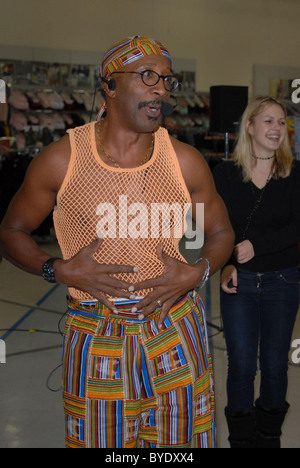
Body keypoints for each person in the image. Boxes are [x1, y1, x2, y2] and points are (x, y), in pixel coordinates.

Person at [0, 36, 234, 449]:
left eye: (166, 80)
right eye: (147, 76)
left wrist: (199, 271)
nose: (160, 88)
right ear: (109, 85)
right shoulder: (62, 160)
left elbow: (220, 233)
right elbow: (11, 231)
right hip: (97, 333)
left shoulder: (184, 160)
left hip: (175, 327)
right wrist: (57, 268)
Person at [213, 95, 300, 448]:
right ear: (249, 127)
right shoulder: (223, 174)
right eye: (268, 121)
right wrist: (227, 262)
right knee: (242, 366)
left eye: (281, 122)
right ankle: (241, 440)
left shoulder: (295, 174)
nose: (276, 128)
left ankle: (269, 437)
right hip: (239, 283)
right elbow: (214, 228)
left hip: (284, 280)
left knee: (277, 366)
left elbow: (297, 227)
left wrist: (257, 246)